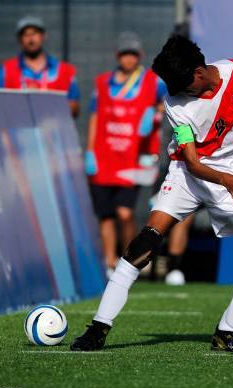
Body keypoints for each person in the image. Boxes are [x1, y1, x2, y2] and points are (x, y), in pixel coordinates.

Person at [70, 36, 233, 352]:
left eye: (180, 84)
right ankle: (99, 328)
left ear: (199, 73)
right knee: (142, 246)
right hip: (190, 177)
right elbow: (194, 163)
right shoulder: (175, 104)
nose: (173, 93)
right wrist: (225, 178)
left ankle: (226, 332)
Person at [85, 32, 165, 276]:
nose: (128, 59)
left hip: (133, 159)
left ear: (139, 56)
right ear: (117, 56)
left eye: (132, 54)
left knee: (125, 212)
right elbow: (95, 116)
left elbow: (168, 102)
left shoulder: (152, 82)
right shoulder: (102, 83)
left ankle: (129, 259)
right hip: (104, 156)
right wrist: (89, 151)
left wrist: (155, 113)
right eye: (124, 54)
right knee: (106, 215)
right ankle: (109, 261)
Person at [0, 16, 80, 117]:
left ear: (44, 36)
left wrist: (43, 101)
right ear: (19, 39)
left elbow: (75, 109)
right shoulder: (7, 69)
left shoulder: (64, 71)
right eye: (25, 34)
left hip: (51, 131)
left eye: (34, 33)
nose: (31, 39)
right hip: (17, 130)